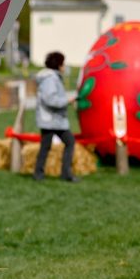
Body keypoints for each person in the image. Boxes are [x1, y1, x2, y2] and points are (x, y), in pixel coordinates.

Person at [34, 51, 78, 182]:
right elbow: (51, 99)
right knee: (69, 142)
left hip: (52, 120)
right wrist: (67, 101)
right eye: (63, 64)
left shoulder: (51, 77)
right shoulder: (50, 79)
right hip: (52, 120)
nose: (65, 66)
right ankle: (64, 174)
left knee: (46, 146)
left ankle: (40, 174)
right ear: (58, 65)